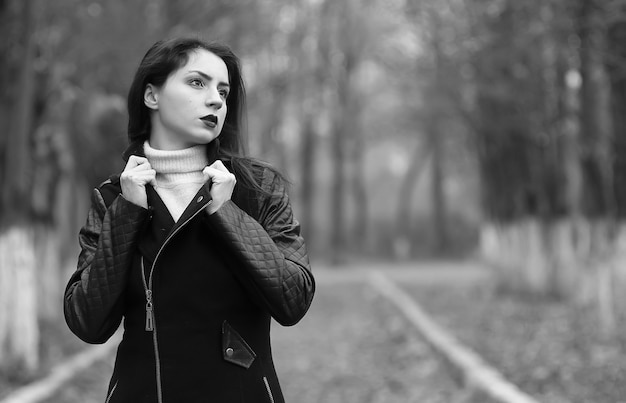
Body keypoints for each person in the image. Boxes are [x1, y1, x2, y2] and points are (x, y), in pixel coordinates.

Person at [63, 37, 315, 403]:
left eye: (223, 91)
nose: (216, 99)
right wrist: (127, 214)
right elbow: (87, 321)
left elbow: (294, 299)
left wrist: (226, 213)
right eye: (198, 83)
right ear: (152, 96)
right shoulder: (114, 197)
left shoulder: (256, 188)